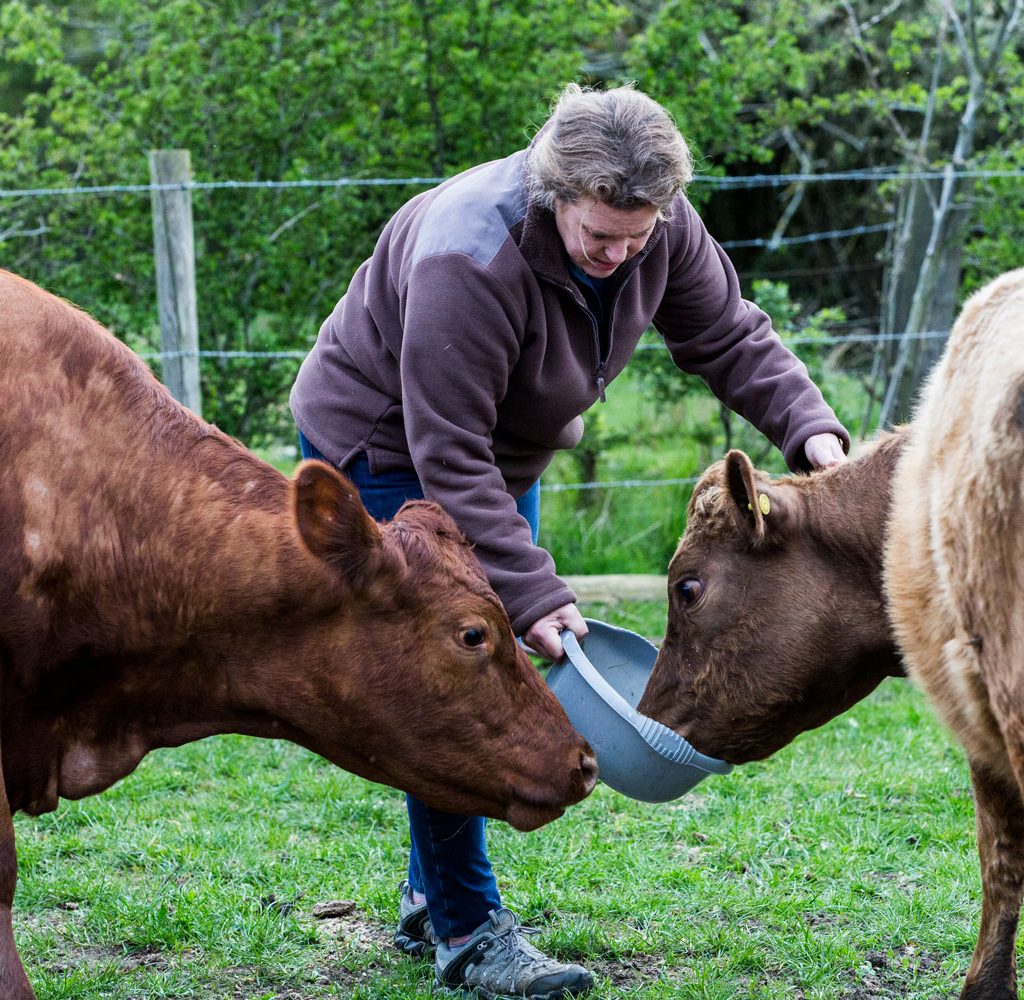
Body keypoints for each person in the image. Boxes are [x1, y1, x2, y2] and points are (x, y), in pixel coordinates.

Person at [290, 81, 849, 999]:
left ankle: (431, 892)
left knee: (503, 649)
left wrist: (809, 427)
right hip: (386, 449)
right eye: (600, 238)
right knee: (461, 672)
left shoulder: (653, 223)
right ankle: (467, 933)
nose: (619, 255)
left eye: (638, 237)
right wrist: (536, 595)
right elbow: (446, 452)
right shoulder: (468, 257)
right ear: (555, 197)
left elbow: (728, 335)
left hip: (502, 457)